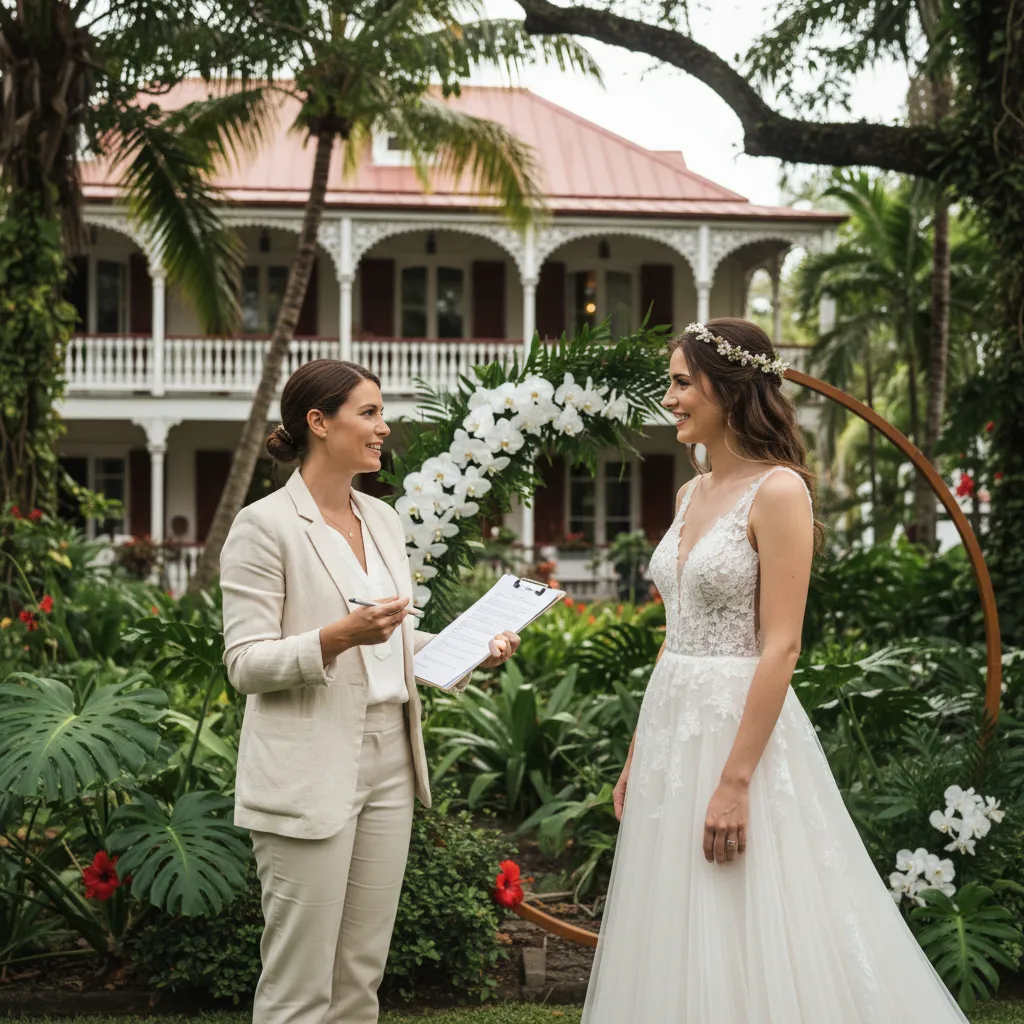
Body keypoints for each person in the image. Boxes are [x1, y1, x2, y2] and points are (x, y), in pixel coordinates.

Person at [582, 320, 968, 1023]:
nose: (667, 398)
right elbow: (676, 637)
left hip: (742, 729)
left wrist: (735, 782)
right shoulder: (687, 495)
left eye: (679, 382)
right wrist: (640, 752)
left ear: (729, 391)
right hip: (674, 725)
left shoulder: (780, 491)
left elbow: (781, 647)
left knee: (749, 904)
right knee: (676, 910)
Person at [220, 359, 519, 1024]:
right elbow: (244, 663)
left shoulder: (382, 520)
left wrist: (475, 649)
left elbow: (394, 637)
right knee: (299, 987)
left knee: (360, 976)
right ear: (318, 423)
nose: (384, 428)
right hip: (309, 764)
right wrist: (335, 637)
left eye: (382, 413)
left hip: (390, 761)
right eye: (369, 413)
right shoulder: (263, 526)